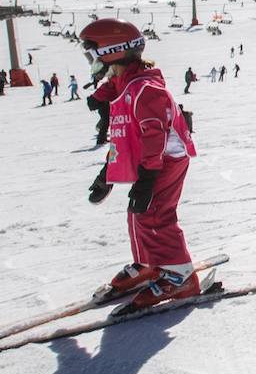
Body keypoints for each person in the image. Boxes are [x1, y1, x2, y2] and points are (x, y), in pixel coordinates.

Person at [82, 18, 201, 313]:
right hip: (151, 160)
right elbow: (125, 139)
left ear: (112, 53)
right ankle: (150, 263)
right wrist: (107, 174)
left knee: (155, 215)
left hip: (166, 158)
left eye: (92, 55)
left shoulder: (146, 90)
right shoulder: (125, 86)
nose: (92, 63)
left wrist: (147, 179)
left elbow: (154, 137)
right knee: (137, 213)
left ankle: (181, 275)